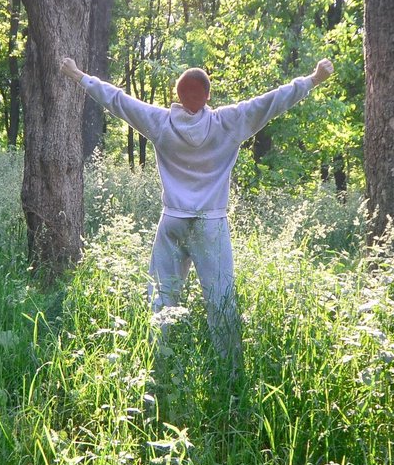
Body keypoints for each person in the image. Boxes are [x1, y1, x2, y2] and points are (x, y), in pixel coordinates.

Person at [60, 55, 334, 367]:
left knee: (160, 298)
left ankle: (154, 367)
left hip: (173, 221)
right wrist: (312, 80)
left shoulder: (161, 122)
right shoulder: (227, 122)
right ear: (208, 96)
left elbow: (118, 101)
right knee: (220, 300)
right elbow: (269, 102)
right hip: (211, 225)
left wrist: (80, 76)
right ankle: (229, 375)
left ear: (177, 95)